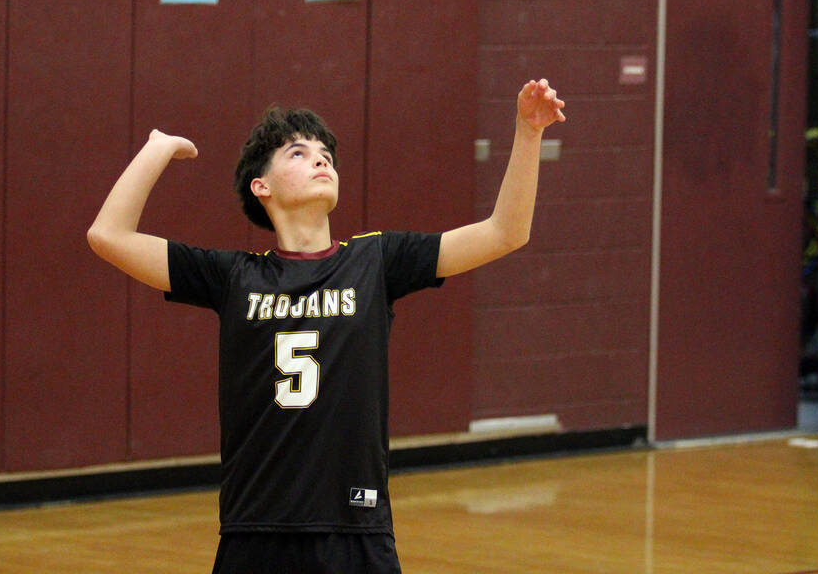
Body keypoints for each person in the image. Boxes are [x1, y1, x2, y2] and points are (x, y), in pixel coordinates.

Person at [87, 78, 566, 573]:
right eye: (298, 153)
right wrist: (157, 149)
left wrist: (528, 133)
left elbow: (505, 233)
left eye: (326, 155)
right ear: (262, 186)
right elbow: (108, 235)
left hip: (356, 530)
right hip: (255, 531)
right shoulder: (232, 277)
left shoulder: (377, 261)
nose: (321, 160)